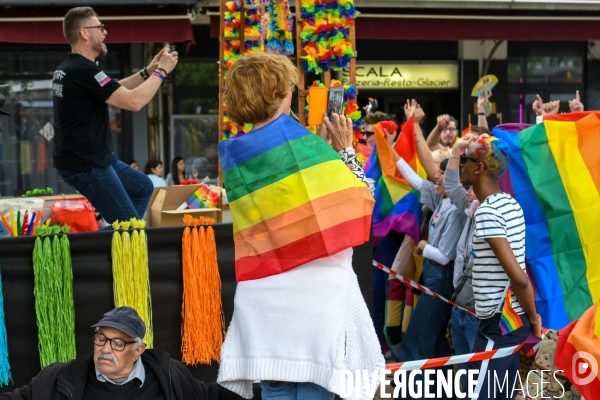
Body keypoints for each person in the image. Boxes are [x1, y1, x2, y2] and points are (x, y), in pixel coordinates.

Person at [216, 52, 383, 400]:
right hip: (313, 307)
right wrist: (344, 151)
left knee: (275, 391)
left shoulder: (234, 153)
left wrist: (319, 150)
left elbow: (286, 201)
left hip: (264, 304)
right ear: (277, 91)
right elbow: (360, 202)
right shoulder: (303, 147)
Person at [52, 7, 178, 225]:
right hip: (87, 164)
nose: (105, 33)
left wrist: (148, 71)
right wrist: (162, 72)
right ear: (85, 33)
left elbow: (115, 90)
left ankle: (118, 234)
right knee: (129, 227)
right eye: (100, 27)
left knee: (143, 187)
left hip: (94, 158)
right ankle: (116, 241)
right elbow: (134, 101)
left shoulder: (72, 68)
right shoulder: (84, 71)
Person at [0, 306, 242, 400]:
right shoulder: (62, 378)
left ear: (138, 350)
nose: (105, 349)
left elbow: (212, 395)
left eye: (117, 343)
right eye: (101, 338)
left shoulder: (168, 374)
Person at [393, 100, 467, 399]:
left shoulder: (457, 210)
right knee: (434, 341)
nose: (436, 174)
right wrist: (391, 151)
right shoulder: (441, 199)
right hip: (433, 279)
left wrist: (423, 247)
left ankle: (415, 394)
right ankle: (445, 392)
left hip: (442, 279)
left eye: (443, 173)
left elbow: (446, 256)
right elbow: (413, 179)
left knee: (418, 341)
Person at [459, 134, 542, 399]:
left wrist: (534, 317)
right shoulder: (510, 203)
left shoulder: (487, 212)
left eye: (464, 160)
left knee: (480, 395)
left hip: (499, 323)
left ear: (479, 168)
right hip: (510, 321)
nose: (461, 165)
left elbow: (518, 277)